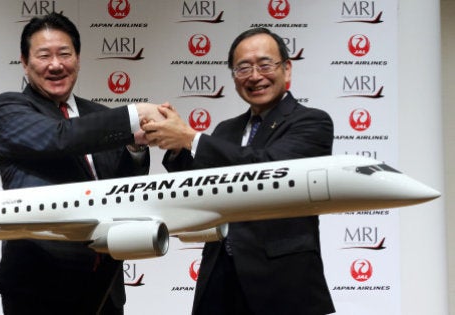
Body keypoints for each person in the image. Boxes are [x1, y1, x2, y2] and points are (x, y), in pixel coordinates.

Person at [143, 27, 336, 315]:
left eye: (265, 64)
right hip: (220, 279)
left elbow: (269, 170)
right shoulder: (226, 130)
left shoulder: (312, 123)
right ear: (234, 78)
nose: (255, 76)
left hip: (283, 282)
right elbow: (198, 186)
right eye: (243, 68)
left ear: (287, 69)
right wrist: (173, 145)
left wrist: (190, 138)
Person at [0, 13, 165, 315]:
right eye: (44, 55)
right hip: (38, 286)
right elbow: (59, 137)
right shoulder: (9, 109)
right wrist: (133, 115)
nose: (56, 65)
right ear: (24, 62)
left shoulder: (99, 115)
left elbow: (125, 188)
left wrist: (135, 147)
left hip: (105, 285)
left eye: (64, 54)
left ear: (79, 59)